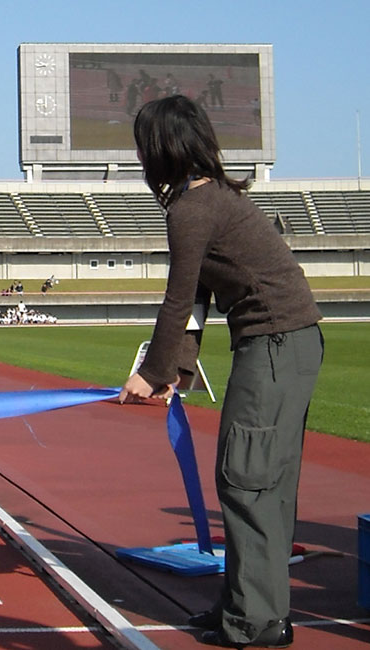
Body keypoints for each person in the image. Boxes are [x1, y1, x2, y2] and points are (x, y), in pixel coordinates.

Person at [119, 95, 322, 649]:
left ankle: (256, 622)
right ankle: (246, 606)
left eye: (142, 145)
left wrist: (151, 371)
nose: (139, 156)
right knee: (260, 482)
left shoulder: (192, 208)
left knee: (247, 480)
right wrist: (176, 371)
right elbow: (202, 296)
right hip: (284, 342)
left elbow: (178, 297)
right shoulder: (206, 199)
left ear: (160, 149)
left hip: (276, 342)